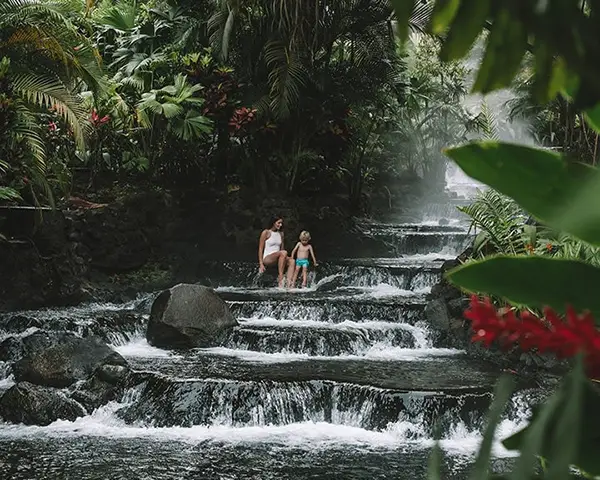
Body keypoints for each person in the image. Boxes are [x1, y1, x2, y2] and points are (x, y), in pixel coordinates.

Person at [258, 216, 294, 288]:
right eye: (278, 223)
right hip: (268, 258)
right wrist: (261, 264)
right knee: (283, 252)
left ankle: (289, 284)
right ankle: (280, 279)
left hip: (279, 257)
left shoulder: (281, 234)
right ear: (273, 223)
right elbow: (260, 248)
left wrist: (286, 258)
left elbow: (282, 249)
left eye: (281, 223)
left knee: (292, 261)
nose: (280, 225)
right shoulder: (266, 232)